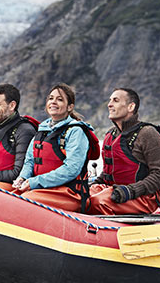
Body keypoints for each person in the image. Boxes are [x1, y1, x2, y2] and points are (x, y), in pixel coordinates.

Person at [12, 83, 99, 212]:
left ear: (70, 107)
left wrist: (34, 182)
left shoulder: (76, 132)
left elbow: (72, 169)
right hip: (43, 189)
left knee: (24, 200)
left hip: (69, 193)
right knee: (9, 196)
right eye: (51, 98)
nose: (53, 102)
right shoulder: (41, 130)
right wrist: (22, 178)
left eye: (60, 99)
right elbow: (30, 160)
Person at [88, 88, 160, 215]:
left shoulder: (148, 133)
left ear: (131, 107)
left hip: (143, 197)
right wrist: (91, 185)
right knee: (80, 198)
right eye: (110, 100)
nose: (109, 104)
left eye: (115, 100)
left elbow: (159, 176)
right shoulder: (110, 134)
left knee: (97, 201)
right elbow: (107, 173)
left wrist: (129, 191)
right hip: (114, 192)